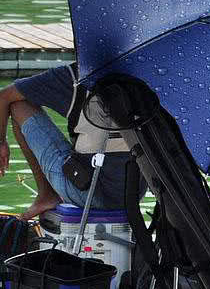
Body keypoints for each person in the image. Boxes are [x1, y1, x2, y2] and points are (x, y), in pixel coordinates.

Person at [0, 62, 142, 220]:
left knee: (19, 104)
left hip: (86, 191)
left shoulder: (78, 76)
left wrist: (1, 142)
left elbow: (5, 96)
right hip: (134, 195)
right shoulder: (151, 77)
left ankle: (46, 195)